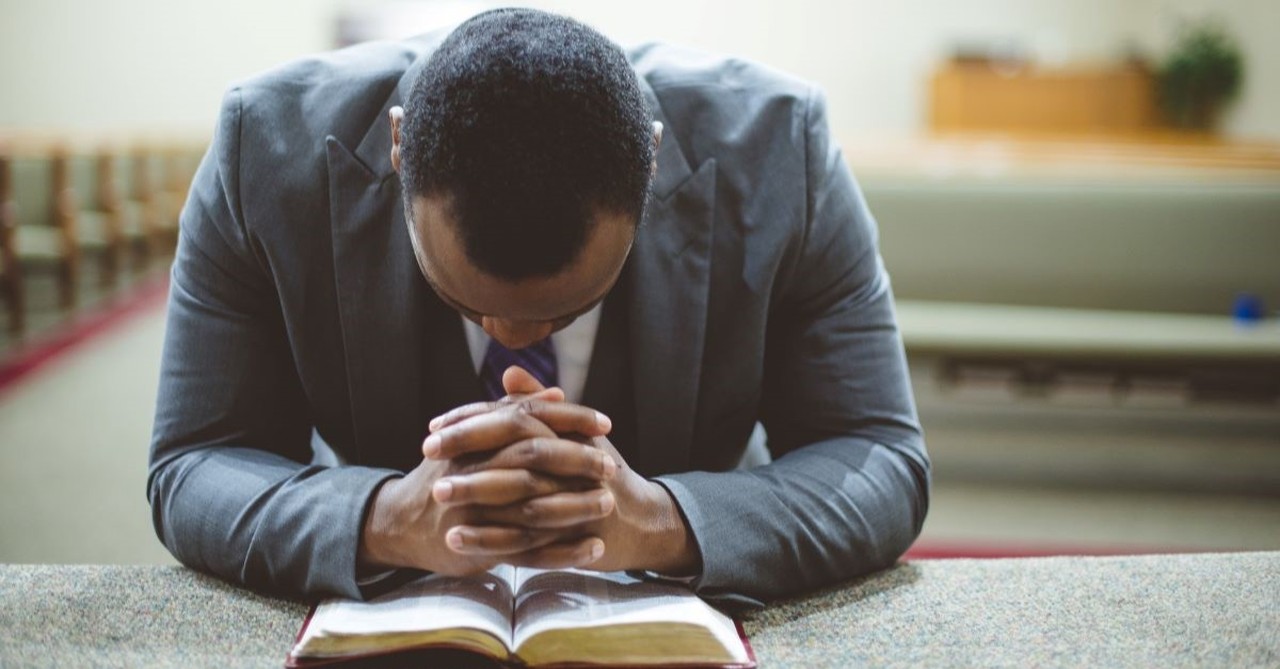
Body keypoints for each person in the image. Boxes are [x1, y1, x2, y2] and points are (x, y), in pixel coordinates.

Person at [148, 7, 930, 607]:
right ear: (397, 147)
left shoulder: (780, 148)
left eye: (566, 310)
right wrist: (385, 517)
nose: (511, 341)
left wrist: (664, 520)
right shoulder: (264, 149)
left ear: (651, 166)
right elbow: (195, 462)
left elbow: (879, 456)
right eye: (462, 298)